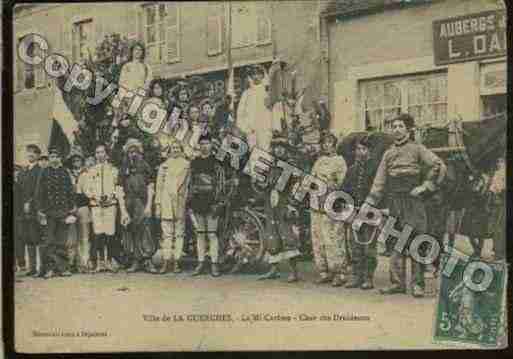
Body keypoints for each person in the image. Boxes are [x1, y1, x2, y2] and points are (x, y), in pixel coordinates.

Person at [365, 114, 446, 298]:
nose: (397, 129)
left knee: (416, 241)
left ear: (408, 129)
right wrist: (370, 201)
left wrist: (425, 187)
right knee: (395, 242)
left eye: (401, 126)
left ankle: (417, 285)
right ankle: (397, 283)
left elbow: (438, 165)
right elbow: (379, 181)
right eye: (394, 126)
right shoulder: (388, 153)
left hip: (413, 202)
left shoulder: (418, 149)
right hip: (394, 202)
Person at [259, 136, 304, 282]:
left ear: (286, 149)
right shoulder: (270, 164)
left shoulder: (291, 165)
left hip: (285, 203)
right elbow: (265, 183)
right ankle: (274, 269)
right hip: (271, 204)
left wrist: (293, 204)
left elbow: (298, 187)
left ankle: (294, 271)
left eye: (281, 147)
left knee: (288, 234)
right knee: (272, 233)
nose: (278, 149)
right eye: (276, 147)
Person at [310, 133, 348, 287]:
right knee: (318, 238)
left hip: (332, 203)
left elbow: (342, 183)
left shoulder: (340, 161)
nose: (327, 145)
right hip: (316, 203)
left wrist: (332, 184)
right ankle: (323, 270)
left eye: (330, 143)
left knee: (333, 238)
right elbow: (311, 178)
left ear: (334, 144)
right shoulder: (319, 161)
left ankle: (339, 272)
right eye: (324, 143)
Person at [84, 143, 129, 273]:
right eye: (97, 152)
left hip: (110, 205)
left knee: (110, 233)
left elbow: (118, 187)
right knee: (98, 234)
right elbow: (87, 189)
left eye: (102, 152)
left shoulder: (114, 170)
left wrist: (111, 196)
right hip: (96, 206)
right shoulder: (91, 171)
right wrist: (95, 197)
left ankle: (109, 261)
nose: (100, 155)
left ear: (107, 154)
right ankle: (100, 261)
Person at [188, 134, 225, 277]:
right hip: (197, 201)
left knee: (212, 234)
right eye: (202, 143)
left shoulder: (216, 162)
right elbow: (191, 182)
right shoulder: (194, 162)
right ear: (199, 145)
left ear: (211, 145)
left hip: (211, 201)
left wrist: (218, 201)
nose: (204, 146)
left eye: (207, 143)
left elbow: (220, 182)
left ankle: (214, 264)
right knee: (200, 234)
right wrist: (190, 199)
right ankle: (200, 263)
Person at [37, 148, 77, 279]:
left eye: (56, 156)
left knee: (61, 241)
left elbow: (70, 191)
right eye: (52, 156)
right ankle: (48, 269)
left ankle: (63, 268)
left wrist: (72, 207)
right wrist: (40, 210)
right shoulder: (44, 173)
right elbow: (39, 192)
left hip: (63, 211)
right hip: (49, 212)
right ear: (49, 158)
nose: (54, 159)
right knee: (49, 241)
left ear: (60, 158)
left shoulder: (65, 172)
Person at [343, 135, 377, 289]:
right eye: (358, 149)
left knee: (368, 246)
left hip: (370, 213)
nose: (360, 152)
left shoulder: (376, 169)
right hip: (354, 212)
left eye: (363, 149)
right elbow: (344, 191)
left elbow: (379, 191)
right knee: (354, 245)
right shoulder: (351, 170)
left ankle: (368, 278)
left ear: (369, 151)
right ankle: (357, 276)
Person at [120, 138, 157, 273]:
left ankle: (148, 260)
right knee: (131, 230)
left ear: (139, 152)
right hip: (128, 202)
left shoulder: (145, 166)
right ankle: (135, 260)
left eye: (135, 151)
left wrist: (148, 205)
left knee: (145, 229)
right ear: (127, 153)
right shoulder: (123, 168)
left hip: (142, 202)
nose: (133, 154)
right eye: (130, 152)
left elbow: (151, 185)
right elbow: (119, 188)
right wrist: (123, 210)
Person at [154, 138, 191, 274]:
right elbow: (159, 187)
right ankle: (166, 261)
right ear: (170, 150)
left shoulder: (187, 165)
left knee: (179, 233)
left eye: (177, 148)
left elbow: (188, 185)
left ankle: (176, 262)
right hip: (166, 201)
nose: (175, 150)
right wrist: (158, 204)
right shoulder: (164, 166)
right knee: (167, 233)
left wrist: (186, 201)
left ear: (181, 150)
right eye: (173, 148)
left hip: (181, 202)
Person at [236, 65, 279, 152]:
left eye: (258, 74)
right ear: (251, 77)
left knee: (265, 153)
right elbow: (240, 113)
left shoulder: (268, 92)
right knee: (254, 154)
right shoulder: (246, 93)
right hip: (251, 130)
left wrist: (275, 126)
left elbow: (275, 110)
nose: (256, 76)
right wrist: (246, 128)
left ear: (262, 76)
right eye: (253, 74)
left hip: (265, 128)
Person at [19, 144, 44, 277]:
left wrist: (30, 203)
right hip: (23, 211)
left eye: (33, 153)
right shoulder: (23, 171)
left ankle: (40, 267)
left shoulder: (40, 171)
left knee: (37, 238)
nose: (30, 155)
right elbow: (20, 191)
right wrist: (23, 204)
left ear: (38, 155)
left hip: (35, 209)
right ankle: (31, 267)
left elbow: (39, 191)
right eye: (28, 152)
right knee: (28, 238)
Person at [64, 147, 86, 273]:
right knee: (71, 238)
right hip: (71, 208)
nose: (76, 162)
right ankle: (71, 262)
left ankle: (82, 263)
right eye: (74, 160)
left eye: (78, 160)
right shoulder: (67, 174)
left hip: (83, 206)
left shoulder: (86, 173)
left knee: (84, 236)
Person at [488, 155, 506, 260]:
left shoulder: (502, 173)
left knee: (499, 228)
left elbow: (499, 188)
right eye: (498, 162)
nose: (499, 164)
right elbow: (493, 188)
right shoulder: (496, 173)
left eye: (501, 162)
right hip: (496, 203)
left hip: (501, 202)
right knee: (495, 228)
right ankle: (497, 251)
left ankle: (500, 252)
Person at [14, 164, 25, 273]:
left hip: (19, 216)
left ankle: (21, 263)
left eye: (17, 171)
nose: (15, 173)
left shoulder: (21, 184)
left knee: (19, 239)